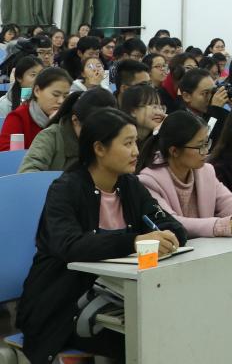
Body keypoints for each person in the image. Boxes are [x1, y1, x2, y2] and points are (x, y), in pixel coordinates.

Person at [15, 108, 186, 364]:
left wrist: (168, 235)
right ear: (99, 148)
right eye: (127, 144)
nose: (136, 152)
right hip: (64, 306)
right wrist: (134, 241)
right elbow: (71, 245)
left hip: (120, 297)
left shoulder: (130, 185)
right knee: (152, 337)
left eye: (136, 143)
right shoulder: (65, 189)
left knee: (179, 323)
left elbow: (171, 226)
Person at [138, 111, 232, 238]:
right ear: (174, 151)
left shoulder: (206, 171)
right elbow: (173, 223)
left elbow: (230, 203)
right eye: (200, 146)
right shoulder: (148, 181)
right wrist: (227, 226)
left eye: (206, 143)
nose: (206, 151)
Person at [18, 88, 118, 173]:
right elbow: (28, 175)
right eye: (94, 129)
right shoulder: (51, 137)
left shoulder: (114, 140)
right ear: (75, 120)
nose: (101, 135)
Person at [0, 67, 73, 151]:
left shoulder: (70, 118)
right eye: (55, 95)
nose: (61, 101)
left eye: (65, 96)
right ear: (37, 91)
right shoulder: (18, 118)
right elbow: (7, 154)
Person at [171, 68, 231, 147]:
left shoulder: (211, 112)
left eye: (213, 91)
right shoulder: (178, 120)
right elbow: (205, 143)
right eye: (205, 93)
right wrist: (216, 110)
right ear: (186, 96)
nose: (211, 97)